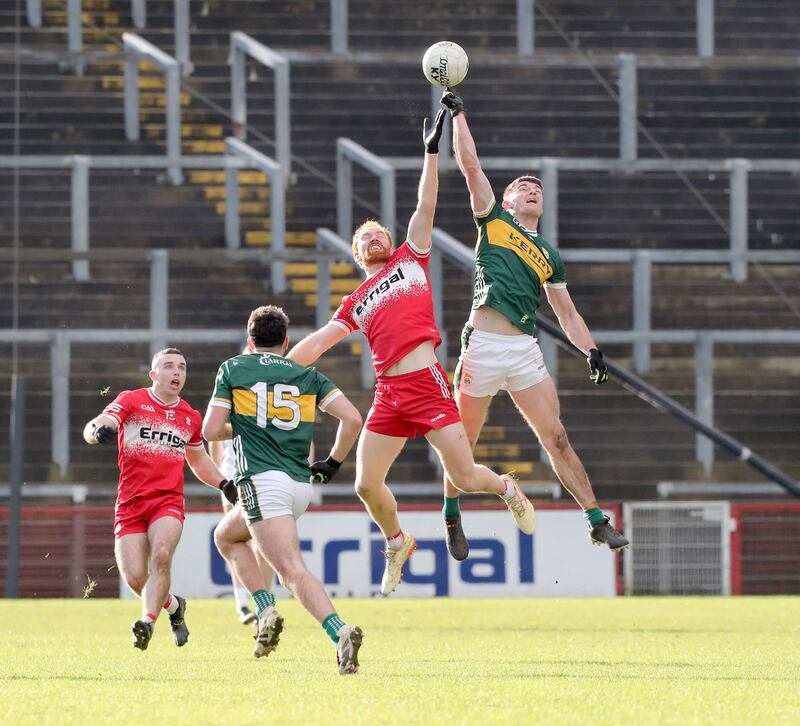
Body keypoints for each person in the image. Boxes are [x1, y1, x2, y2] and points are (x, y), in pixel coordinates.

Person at [287, 104, 537, 597]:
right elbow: (319, 342)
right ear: (358, 254)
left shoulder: (409, 257)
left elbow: (426, 204)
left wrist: (429, 152)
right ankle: (398, 542)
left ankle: (507, 487)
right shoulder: (357, 299)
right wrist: (272, 364)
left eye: (379, 230)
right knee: (364, 484)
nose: (376, 235)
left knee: (464, 477)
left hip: (426, 384)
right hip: (389, 393)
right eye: (366, 236)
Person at [438, 90, 629, 560]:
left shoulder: (549, 255)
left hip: (524, 352)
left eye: (537, 187)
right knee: (463, 446)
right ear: (507, 199)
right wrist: (458, 114)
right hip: (482, 345)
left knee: (557, 437)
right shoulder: (493, 220)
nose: (532, 189)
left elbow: (567, 314)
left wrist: (591, 349)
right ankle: (451, 514)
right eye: (523, 186)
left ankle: (595, 519)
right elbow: (470, 166)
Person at [203, 305, 365, 675]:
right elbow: (353, 418)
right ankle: (265, 610)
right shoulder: (306, 374)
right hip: (298, 485)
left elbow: (211, 431)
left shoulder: (233, 368)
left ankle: (341, 632)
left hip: (262, 481)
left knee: (291, 571)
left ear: (250, 340)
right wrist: (333, 462)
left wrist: (245, 428)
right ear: (286, 341)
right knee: (226, 537)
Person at [83, 348, 235, 651]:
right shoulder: (131, 400)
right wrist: (97, 432)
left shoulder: (190, 417)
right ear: (154, 375)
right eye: (169, 366)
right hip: (129, 503)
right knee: (136, 577)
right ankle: (174, 606)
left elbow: (199, 461)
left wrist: (224, 484)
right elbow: (97, 423)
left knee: (162, 555)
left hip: (168, 501)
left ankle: (147, 622)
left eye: (182, 367)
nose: (176, 372)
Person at [209, 436, 274, 625]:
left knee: (263, 543)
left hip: (262, 476)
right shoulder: (230, 407)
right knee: (237, 541)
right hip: (233, 475)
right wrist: (220, 477)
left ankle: (265, 606)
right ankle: (243, 604)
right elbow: (214, 437)